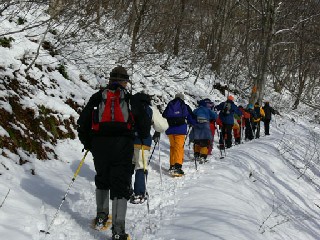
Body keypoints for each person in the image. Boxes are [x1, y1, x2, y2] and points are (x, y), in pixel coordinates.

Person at [77, 66, 149, 240]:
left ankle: (102, 217)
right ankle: (118, 231)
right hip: (123, 146)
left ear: (109, 80)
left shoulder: (97, 97)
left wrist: (89, 143)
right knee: (120, 186)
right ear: (125, 82)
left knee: (102, 179)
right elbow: (145, 128)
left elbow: (82, 123)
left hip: (100, 146)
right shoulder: (131, 100)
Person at [130, 92, 168, 204]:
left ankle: (126, 190)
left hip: (128, 140)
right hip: (143, 142)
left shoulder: (129, 106)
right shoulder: (150, 109)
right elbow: (162, 126)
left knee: (129, 165)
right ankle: (140, 193)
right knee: (141, 166)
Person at [162, 93, 196, 176]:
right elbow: (191, 117)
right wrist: (193, 123)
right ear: (182, 98)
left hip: (170, 130)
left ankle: (172, 165)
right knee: (179, 147)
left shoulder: (170, 104)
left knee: (173, 147)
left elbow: (164, 115)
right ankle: (177, 167)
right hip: (180, 130)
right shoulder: (184, 106)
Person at [189, 98, 217, 163]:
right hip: (205, 128)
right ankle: (203, 156)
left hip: (196, 128)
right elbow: (215, 116)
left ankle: (196, 155)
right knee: (205, 142)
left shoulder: (196, 110)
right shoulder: (208, 110)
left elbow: (191, 116)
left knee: (197, 142)